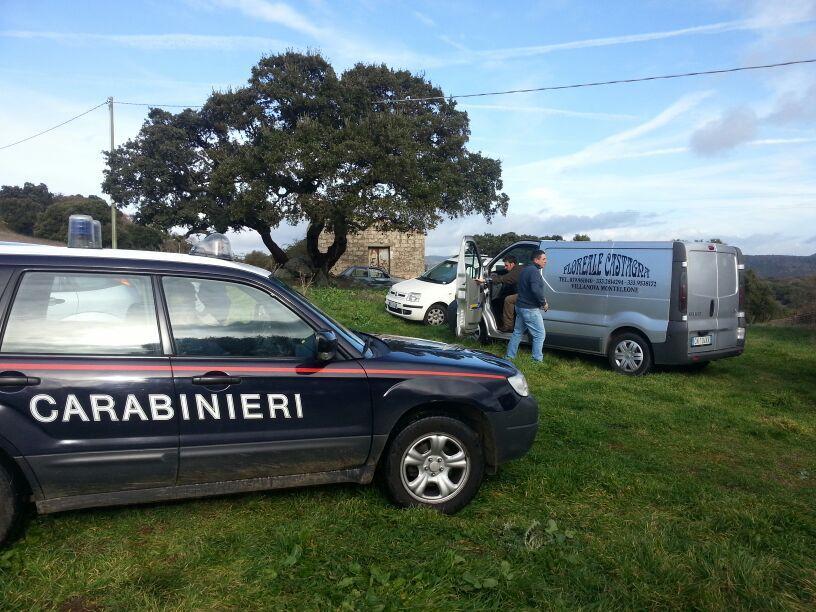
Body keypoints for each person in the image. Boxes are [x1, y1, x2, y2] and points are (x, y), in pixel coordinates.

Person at [505, 250, 548, 363]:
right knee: (540, 334)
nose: (546, 261)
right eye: (543, 259)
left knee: (517, 332)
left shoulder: (525, 270)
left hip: (520, 306)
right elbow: (535, 289)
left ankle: (509, 357)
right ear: (536, 259)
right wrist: (543, 303)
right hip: (529, 309)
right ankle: (536, 361)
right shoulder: (534, 272)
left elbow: (525, 288)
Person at [482, 255, 522, 332]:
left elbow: (503, 279)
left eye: (506, 265)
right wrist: (492, 272)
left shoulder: (516, 272)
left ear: (512, 264)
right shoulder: (517, 269)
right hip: (521, 294)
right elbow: (503, 272)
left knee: (507, 300)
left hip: (524, 296)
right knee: (498, 301)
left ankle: (508, 326)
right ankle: (501, 323)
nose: (505, 267)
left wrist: (486, 279)